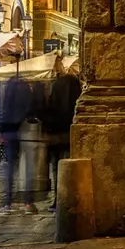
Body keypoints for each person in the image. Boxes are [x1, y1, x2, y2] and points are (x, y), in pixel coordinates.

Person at [0, 76, 34, 215]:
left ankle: (7, 202)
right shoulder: (26, 91)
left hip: (10, 132)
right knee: (27, 168)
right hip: (25, 130)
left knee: (10, 167)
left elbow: (2, 112)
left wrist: (0, 131)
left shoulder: (8, 90)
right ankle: (28, 202)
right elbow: (31, 110)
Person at [46, 66, 81, 211]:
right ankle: (69, 197)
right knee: (70, 169)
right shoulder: (75, 88)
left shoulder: (55, 86)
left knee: (56, 169)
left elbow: (48, 110)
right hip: (70, 133)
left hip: (55, 135)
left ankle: (58, 199)